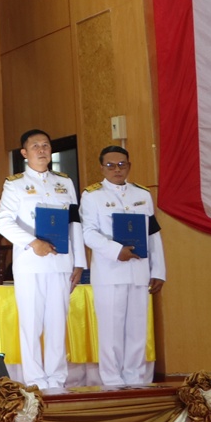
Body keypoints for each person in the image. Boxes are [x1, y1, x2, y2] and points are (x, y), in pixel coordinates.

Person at [0, 128, 85, 393]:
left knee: (57, 323)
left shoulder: (64, 182)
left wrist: (79, 261)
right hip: (30, 264)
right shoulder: (15, 184)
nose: (42, 150)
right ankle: (35, 380)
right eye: (35, 146)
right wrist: (33, 242)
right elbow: (3, 222)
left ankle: (56, 381)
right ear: (24, 153)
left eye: (45, 145)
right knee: (31, 324)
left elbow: (75, 223)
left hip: (61, 263)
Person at [79, 145, 166, 388]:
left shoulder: (142, 194)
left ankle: (135, 379)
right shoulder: (92, 196)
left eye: (121, 165)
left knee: (137, 330)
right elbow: (88, 233)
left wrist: (158, 270)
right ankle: (113, 381)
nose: (116, 169)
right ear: (101, 168)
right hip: (110, 272)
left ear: (129, 166)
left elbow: (153, 235)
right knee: (111, 331)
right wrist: (116, 250)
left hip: (139, 270)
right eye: (110, 165)